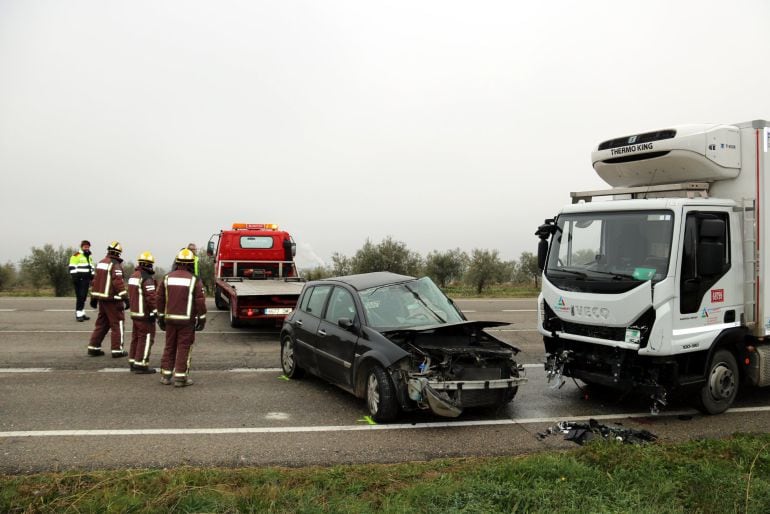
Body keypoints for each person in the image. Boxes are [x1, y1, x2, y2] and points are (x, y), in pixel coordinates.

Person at [157, 248, 207, 387]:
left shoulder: (167, 278)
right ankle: (180, 378)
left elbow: (159, 299)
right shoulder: (194, 280)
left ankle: (165, 376)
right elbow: (200, 301)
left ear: (177, 262)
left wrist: (160, 317)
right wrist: (202, 319)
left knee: (169, 346)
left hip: (170, 319)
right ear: (191, 263)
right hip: (187, 321)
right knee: (184, 347)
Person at [87, 241, 129, 358]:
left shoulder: (101, 262)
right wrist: (125, 298)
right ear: (118, 253)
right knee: (117, 324)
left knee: (102, 324)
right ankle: (117, 350)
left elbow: (96, 281)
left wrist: (94, 297)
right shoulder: (115, 265)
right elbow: (118, 282)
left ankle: (93, 347)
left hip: (102, 300)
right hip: (113, 300)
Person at [127, 251, 158, 374]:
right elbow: (151, 297)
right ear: (149, 265)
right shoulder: (147, 278)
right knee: (145, 338)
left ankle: (133, 361)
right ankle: (141, 364)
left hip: (135, 313)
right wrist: (156, 312)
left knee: (136, 338)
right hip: (145, 314)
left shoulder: (134, 275)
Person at [68, 240, 95, 322]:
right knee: (80, 297)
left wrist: (92, 275)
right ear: (82, 246)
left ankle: (82, 313)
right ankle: (78, 314)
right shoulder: (76, 255)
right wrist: (75, 278)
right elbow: (72, 267)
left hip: (86, 280)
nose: (86, 247)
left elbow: (92, 267)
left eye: (88, 246)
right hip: (79, 280)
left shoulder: (89, 256)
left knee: (83, 297)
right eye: (85, 246)